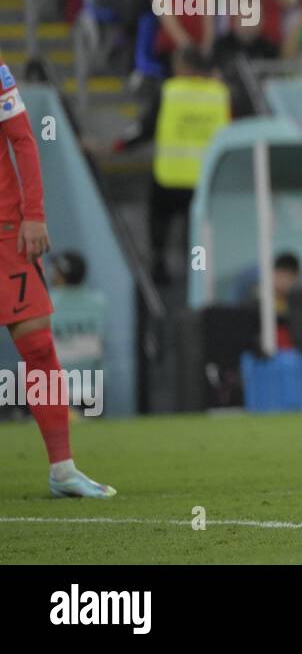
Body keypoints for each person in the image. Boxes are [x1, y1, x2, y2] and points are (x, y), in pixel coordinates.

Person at [0, 57, 115, 497]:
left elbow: (23, 140)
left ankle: (62, 470)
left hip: (7, 230)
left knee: (38, 346)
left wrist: (34, 215)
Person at [112, 47, 230, 282]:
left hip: (170, 175)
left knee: (160, 224)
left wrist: (118, 146)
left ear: (185, 66)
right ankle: (195, 277)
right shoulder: (220, 93)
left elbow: (144, 128)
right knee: (194, 230)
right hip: (204, 177)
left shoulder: (169, 91)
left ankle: (159, 270)